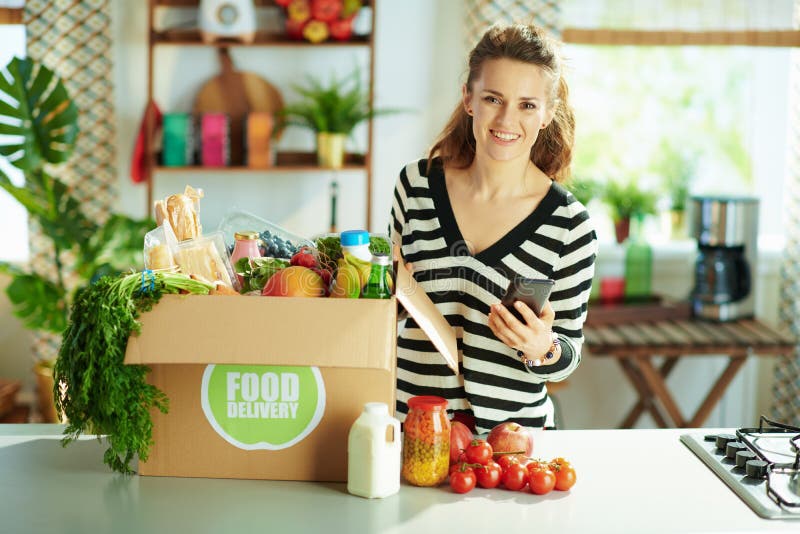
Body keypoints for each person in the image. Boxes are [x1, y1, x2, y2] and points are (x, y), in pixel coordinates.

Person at [389, 22, 597, 432]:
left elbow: (566, 356)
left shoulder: (570, 226)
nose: (506, 119)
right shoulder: (415, 187)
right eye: (493, 98)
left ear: (547, 114)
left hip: (511, 448)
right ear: (469, 99)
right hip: (414, 427)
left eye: (527, 105)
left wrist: (542, 347)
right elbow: (385, 302)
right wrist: (388, 300)